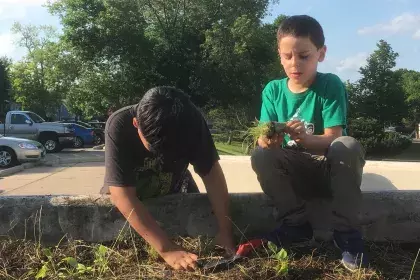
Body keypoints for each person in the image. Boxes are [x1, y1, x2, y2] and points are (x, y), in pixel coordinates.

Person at [251, 15, 366, 272]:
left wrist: (304, 139)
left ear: (321, 53)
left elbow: (334, 138)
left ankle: (347, 234)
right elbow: (263, 137)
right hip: (294, 173)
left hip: (328, 170)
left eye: (304, 56)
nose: (295, 64)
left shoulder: (330, 85)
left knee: (347, 145)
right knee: (260, 154)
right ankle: (295, 224)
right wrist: (268, 141)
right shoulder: (273, 90)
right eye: (287, 56)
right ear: (279, 55)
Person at [101, 86, 235, 271]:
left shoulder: (192, 122)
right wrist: (167, 249)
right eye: (156, 149)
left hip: (176, 189)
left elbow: (211, 174)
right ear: (135, 124)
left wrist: (225, 231)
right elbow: (122, 195)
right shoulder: (119, 124)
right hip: (133, 206)